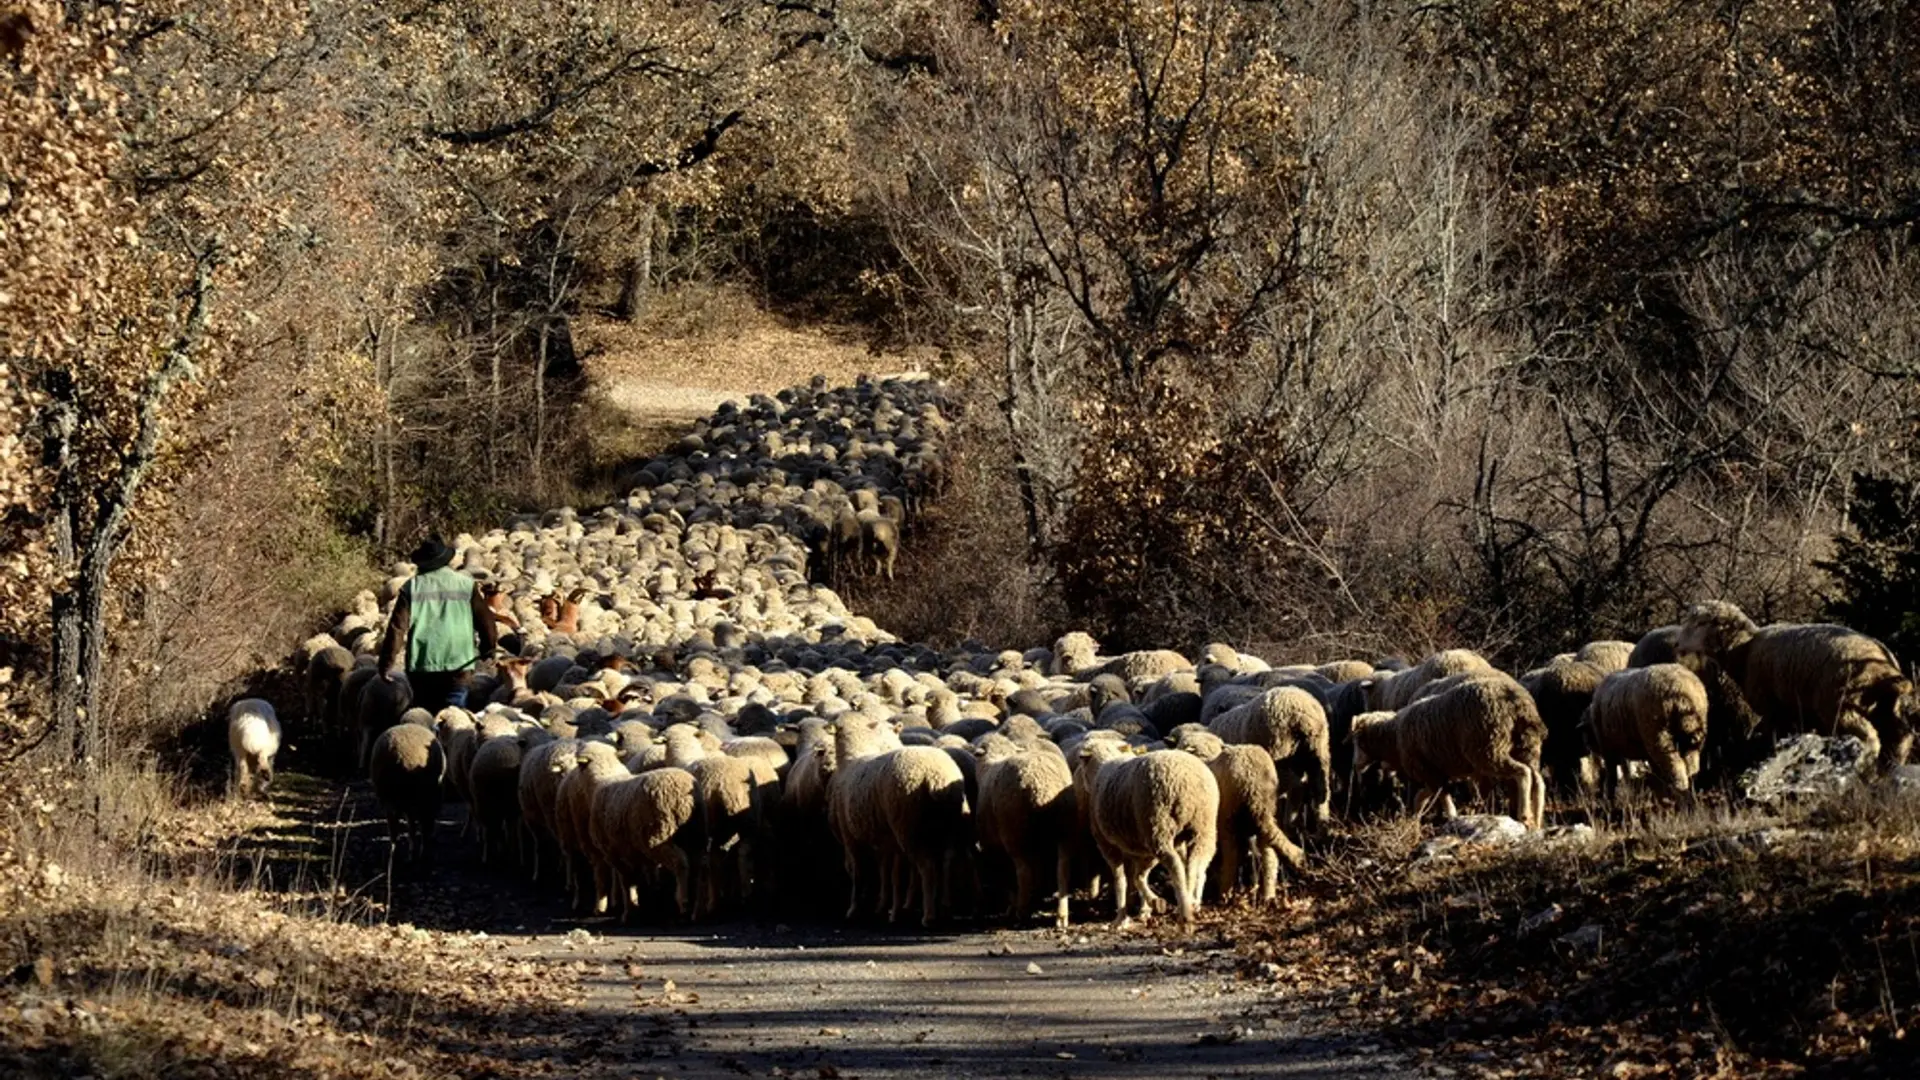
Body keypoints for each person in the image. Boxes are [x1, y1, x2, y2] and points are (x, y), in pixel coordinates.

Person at [378, 535, 498, 710]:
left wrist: (386, 663)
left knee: (425, 718)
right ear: (446, 560)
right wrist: (489, 649)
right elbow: (486, 621)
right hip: (459, 663)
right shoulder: (466, 584)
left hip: (423, 666)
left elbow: (397, 628)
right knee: (454, 718)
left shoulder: (412, 587)